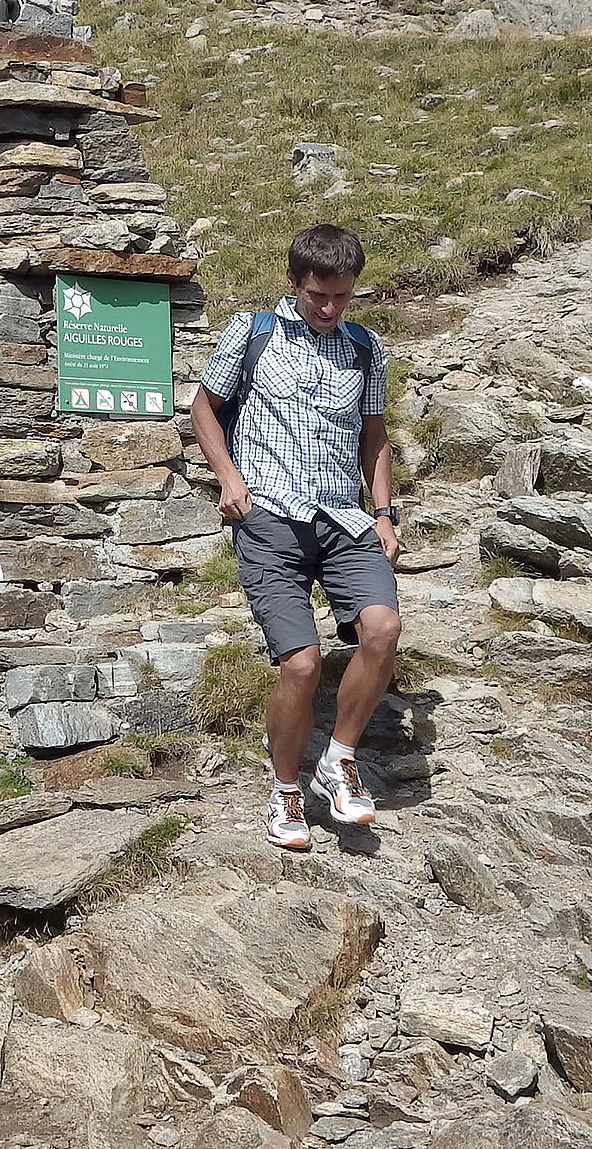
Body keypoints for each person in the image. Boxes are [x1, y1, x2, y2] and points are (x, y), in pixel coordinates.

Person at [189, 224, 402, 852]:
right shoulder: (251, 333)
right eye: (317, 296)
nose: (330, 308)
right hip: (270, 518)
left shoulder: (365, 348)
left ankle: (338, 759)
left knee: (383, 629)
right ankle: (285, 789)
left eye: (342, 296)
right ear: (294, 283)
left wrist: (384, 513)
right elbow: (202, 409)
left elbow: (374, 437)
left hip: (344, 518)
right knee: (302, 664)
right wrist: (228, 477)